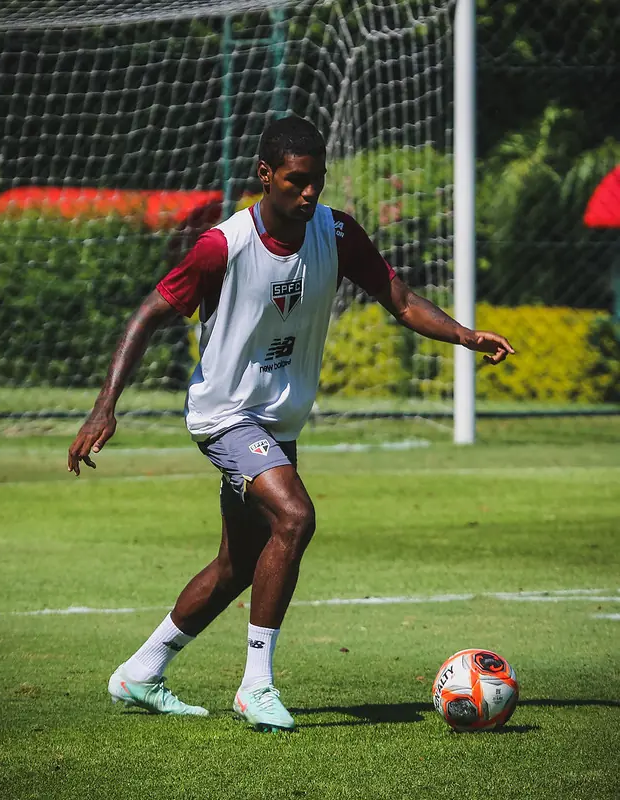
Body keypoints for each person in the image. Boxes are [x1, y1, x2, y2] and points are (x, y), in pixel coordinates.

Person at [67, 116, 514, 732]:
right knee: (295, 516)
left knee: (238, 565)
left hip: (278, 422)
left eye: (317, 180)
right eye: (296, 180)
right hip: (226, 415)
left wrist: (464, 335)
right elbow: (147, 314)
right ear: (265, 174)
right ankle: (256, 686)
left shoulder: (337, 232)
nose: (309, 192)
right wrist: (104, 405)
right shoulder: (222, 246)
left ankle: (140, 672)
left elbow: (402, 299)